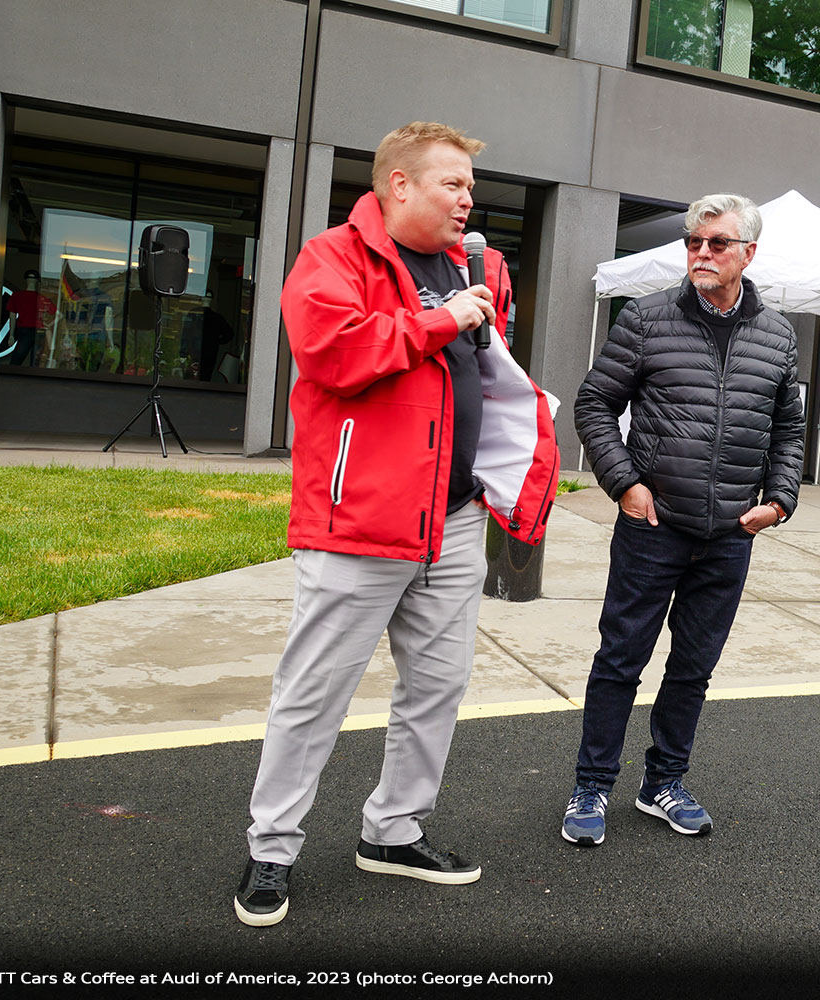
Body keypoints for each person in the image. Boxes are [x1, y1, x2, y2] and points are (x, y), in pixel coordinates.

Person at [233, 122, 559, 927]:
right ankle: (271, 849)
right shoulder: (334, 258)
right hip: (359, 523)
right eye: (453, 184)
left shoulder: (481, 267)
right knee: (314, 695)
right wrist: (442, 320)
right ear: (400, 185)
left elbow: (483, 372)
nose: (468, 200)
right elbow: (333, 352)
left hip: (453, 521)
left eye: (472, 188)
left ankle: (394, 831)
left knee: (437, 687)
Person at [561, 192, 805, 847]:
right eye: (694, 241)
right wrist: (626, 485)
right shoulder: (646, 318)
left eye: (717, 243)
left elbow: (789, 429)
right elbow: (594, 404)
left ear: (748, 253)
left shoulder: (778, 335)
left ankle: (663, 782)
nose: (701, 252)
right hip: (653, 526)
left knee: (693, 667)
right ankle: (592, 785)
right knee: (621, 660)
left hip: (730, 534)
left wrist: (779, 500)